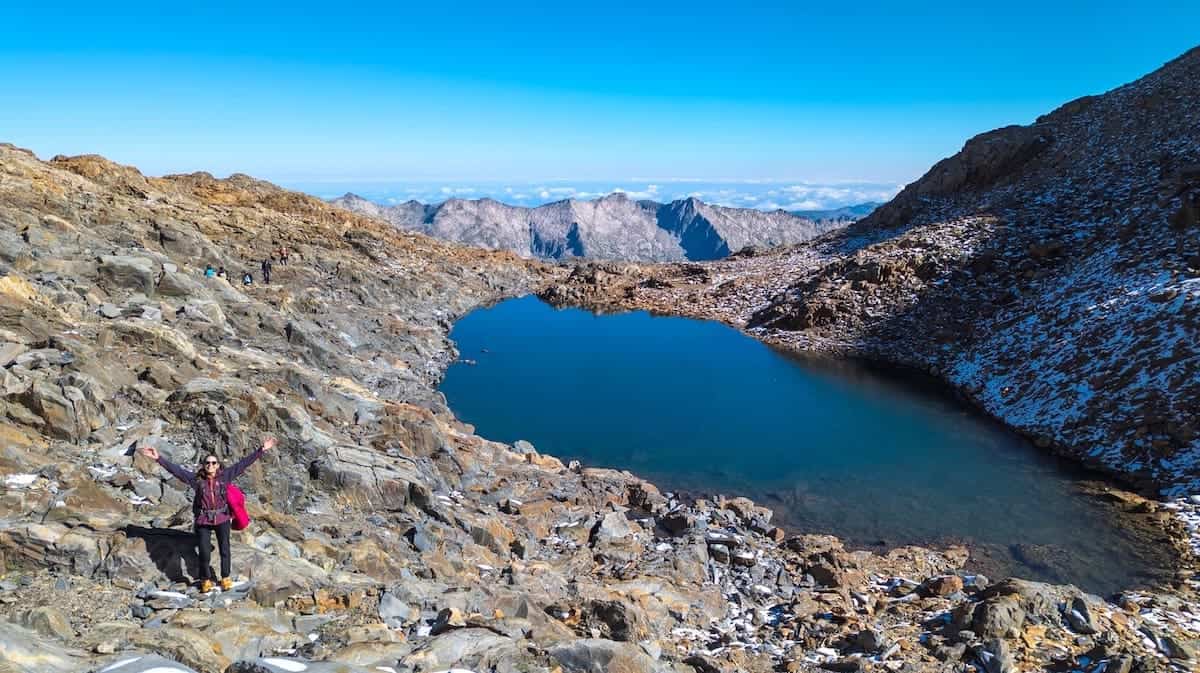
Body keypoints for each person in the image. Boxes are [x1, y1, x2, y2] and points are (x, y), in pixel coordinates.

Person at [139, 438, 275, 593]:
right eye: (207, 463)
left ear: (218, 466)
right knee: (204, 552)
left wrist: (261, 450)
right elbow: (176, 471)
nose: (210, 465)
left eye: (213, 463)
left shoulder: (224, 477)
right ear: (204, 466)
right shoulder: (197, 480)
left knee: (225, 549)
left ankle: (225, 577)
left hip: (222, 518)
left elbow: (243, 464)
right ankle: (206, 579)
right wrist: (158, 458)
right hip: (204, 520)